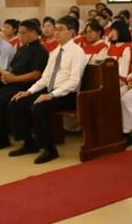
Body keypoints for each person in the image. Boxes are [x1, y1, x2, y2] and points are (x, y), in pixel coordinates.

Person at [8, 16, 88, 164]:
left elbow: (74, 81)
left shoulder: (77, 52)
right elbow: (45, 78)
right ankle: (29, 143)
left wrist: (51, 95)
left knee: (38, 107)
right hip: (52, 91)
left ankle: (49, 149)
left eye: (60, 29)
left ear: (71, 32)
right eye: (55, 29)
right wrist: (29, 91)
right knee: (17, 102)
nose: (56, 32)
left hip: (69, 95)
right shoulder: (55, 52)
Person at [0, 20, 50, 151]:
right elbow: (13, 68)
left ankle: (7, 140)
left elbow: (36, 74)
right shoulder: (22, 49)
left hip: (27, 86)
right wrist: (7, 75)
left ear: (33, 33)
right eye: (19, 33)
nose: (19, 36)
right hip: (13, 83)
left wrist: (14, 78)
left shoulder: (39, 50)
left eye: (23, 33)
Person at [106, 20, 132, 93]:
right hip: (109, 79)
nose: (111, 33)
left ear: (122, 31)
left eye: (114, 30)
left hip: (122, 83)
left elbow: (124, 71)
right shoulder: (111, 46)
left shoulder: (127, 47)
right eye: (111, 30)